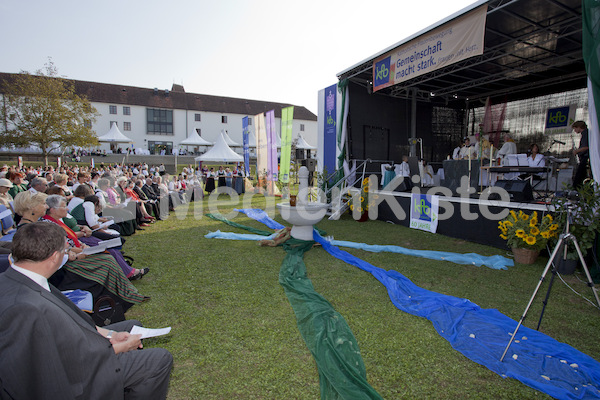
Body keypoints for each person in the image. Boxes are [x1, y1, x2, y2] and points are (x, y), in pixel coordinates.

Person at [0, 222, 173, 399]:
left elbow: (72, 323)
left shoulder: (24, 279)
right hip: (74, 382)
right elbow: (50, 369)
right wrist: (115, 348)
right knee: (159, 359)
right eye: (65, 251)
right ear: (54, 257)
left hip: (77, 350)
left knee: (132, 325)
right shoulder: (23, 309)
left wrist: (108, 335)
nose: (67, 254)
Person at [572, 120, 589, 188]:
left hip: (585, 157)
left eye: (575, 128)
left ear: (579, 127)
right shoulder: (585, 133)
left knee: (579, 177)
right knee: (581, 176)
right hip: (584, 157)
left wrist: (577, 151)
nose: (575, 130)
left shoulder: (585, 133)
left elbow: (586, 147)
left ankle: (576, 190)